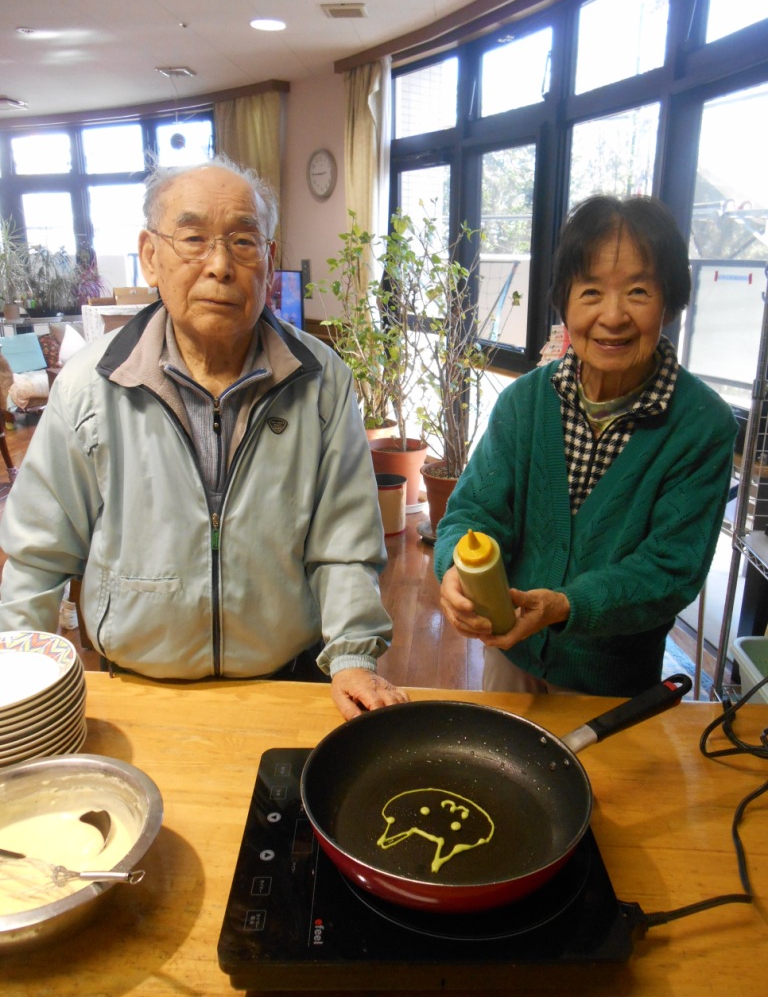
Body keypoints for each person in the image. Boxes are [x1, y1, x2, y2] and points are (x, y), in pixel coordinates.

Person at [0, 155, 409, 720]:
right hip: (136, 686)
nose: (220, 265)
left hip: (286, 680)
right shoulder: (90, 386)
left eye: (243, 242)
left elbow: (345, 543)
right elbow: (37, 558)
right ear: (151, 255)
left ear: (268, 261)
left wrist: (353, 656)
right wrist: (20, 687)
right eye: (193, 238)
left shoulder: (320, 380)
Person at [435, 194, 737, 696]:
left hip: (612, 680)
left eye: (638, 291)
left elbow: (669, 570)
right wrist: (454, 568)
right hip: (510, 656)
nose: (613, 316)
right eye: (591, 291)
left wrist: (566, 606)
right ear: (566, 300)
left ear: (669, 301)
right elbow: (473, 513)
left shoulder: (701, 426)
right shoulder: (524, 403)